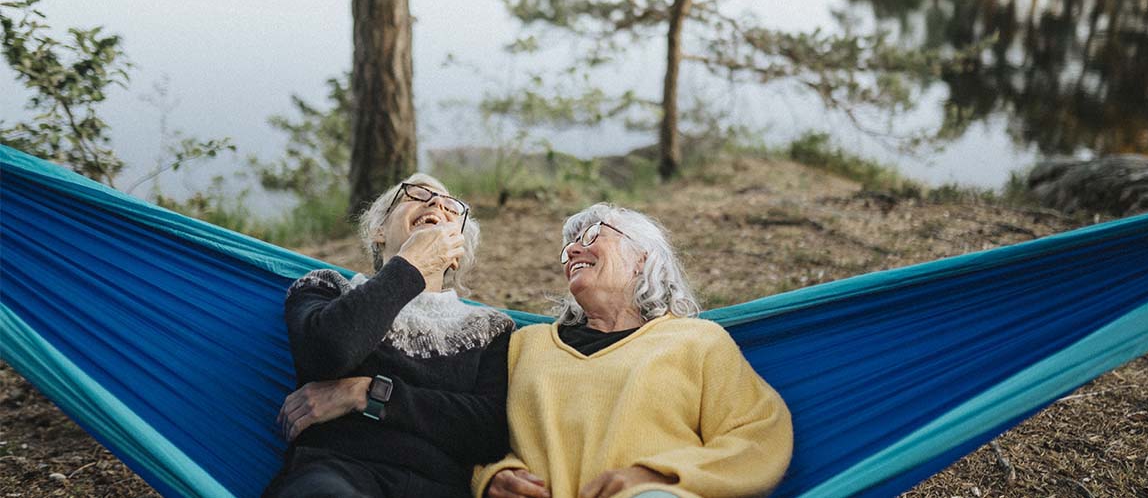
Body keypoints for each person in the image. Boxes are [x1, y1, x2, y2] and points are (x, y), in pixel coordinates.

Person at [478, 203, 792, 498]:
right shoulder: (525, 344)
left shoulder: (697, 341)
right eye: (568, 248)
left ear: (641, 256)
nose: (573, 250)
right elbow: (468, 431)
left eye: (591, 236)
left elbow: (760, 435)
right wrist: (491, 476)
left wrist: (656, 477)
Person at [265, 173, 514, 498]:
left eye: (452, 208)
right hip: (338, 474)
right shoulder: (327, 289)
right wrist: (412, 264)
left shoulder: (489, 328)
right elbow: (328, 352)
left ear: (456, 252)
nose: (437, 202)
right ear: (378, 231)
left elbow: (490, 431)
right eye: (416, 195)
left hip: (442, 487)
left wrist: (368, 393)